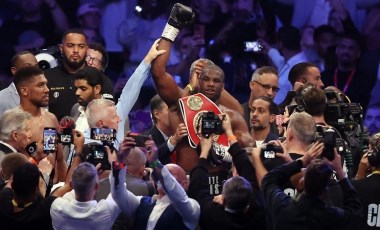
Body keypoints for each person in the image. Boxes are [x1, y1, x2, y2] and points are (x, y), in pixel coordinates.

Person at [151, 3, 253, 172]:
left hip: (222, 187)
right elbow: (158, 72)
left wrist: (222, 152)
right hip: (189, 182)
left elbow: (248, 149)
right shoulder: (180, 105)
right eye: (204, 78)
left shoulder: (230, 116)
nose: (210, 83)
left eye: (215, 80)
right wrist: (172, 26)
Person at [188, 113, 266, 229]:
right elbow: (247, 170)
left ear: (222, 200)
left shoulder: (212, 216)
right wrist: (229, 133)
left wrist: (204, 151)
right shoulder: (259, 212)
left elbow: (197, 189)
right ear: (248, 205)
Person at [261, 143, 362, 229]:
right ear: (325, 192)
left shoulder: (281, 206)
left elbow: (268, 180)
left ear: (301, 182)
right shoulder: (331, 217)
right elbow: (355, 214)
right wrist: (340, 172)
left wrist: (301, 162)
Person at [110, 135, 200, 230]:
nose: (159, 174)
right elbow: (117, 193)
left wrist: (155, 163)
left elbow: (176, 193)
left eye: (170, 173)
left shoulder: (192, 206)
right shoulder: (140, 202)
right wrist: (119, 162)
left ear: (183, 184)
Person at [0, 128, 84, 229]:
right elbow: (68, 185)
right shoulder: (44, 209)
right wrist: (78, 150)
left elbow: (12, 178)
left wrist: (37, 156)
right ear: (36, 189)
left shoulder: (3, 201)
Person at [50, 162, 120, 229]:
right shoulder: (106, 211)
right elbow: (120, 189)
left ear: (71, 184)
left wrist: (86, 177)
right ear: (97, 186)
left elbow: (70, 194)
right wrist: (118, 163)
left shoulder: (57, 208)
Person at [322, 33, 377, 113]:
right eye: (343, 47)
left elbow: (364, 107)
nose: (346, 51)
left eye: (351, 48)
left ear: (358, 53)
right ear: (337, 50)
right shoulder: (325, 76)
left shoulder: (367, 80)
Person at [45, 28, 89, 121]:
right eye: (70, 45)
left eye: (81, 46)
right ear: (61, 48)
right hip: (53, 133)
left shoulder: (97, 78)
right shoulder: (46, 78)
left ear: (87, 49)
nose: (76, 50)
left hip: (87, 134)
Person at [261, 25, 308, 104]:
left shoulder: (298, 68)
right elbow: (280, 61)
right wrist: (268, 49)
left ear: (280, 44)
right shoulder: (291, 61)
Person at [143, 94, 187, 164]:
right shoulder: (146, 139)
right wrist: (173, 141)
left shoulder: (186, 135)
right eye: (171, 110)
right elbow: (149, 163)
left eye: (178, 110)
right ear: (157, 114)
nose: (177, 114)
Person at [0, 51, 38, 115]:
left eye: (36, 66)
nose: (33, 70)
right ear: (14, 70)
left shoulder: (43, 93)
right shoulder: (1, 98)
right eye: (27, 67)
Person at [70, 66, 104, 133]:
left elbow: (120, 142)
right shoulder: (76, 108)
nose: (77, 93)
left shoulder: (113, 114)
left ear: (97, 89)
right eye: (76, 88)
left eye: (83, 89)